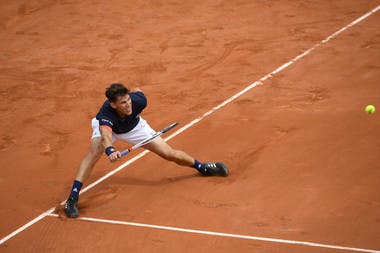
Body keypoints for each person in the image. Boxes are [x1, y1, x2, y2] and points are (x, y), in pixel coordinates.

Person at [64, 83, 228, 218]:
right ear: (113, 104)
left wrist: (135, 92)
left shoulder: (139, 101)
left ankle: (202, 167)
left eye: (128, 100)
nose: (128, 105)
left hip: (136, 128)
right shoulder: (106, 114)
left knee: (168, 153)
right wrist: (110, 150)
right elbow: (106, 134)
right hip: (112, 130)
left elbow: (138, 91)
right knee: (93, 153)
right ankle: (72, 198)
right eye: (123, 103)